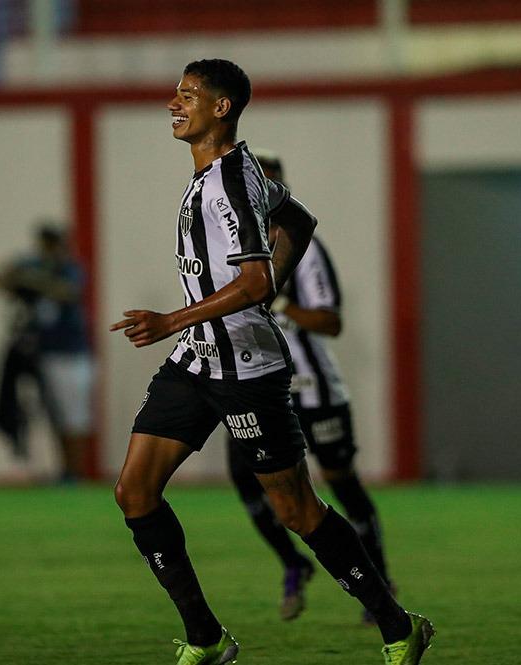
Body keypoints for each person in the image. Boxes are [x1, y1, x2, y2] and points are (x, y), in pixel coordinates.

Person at [109, 59, 433, 665]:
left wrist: (169, 321)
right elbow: (299, 223)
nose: (174, 104)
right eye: (175, 94)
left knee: (297, 510)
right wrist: (193, 329)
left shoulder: (232, 181)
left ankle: (397, 625)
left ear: (221, 108)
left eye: (188, 96)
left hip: (247, 372)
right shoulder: (230, 173)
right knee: (134, 491)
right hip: (197, 362)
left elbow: (256, 282)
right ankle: (206, 638)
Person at [225, 149, 394, 623]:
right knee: (248, 483)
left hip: (312, 387)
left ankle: (378, 578)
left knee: (341, 483)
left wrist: (280, 309)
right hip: (253, 386)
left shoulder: (305, 248)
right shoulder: (230, 244)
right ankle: (293, 564)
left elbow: (331, 322)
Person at [0, 223, 93, 481]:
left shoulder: (69, 269)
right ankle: (65, 470)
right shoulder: (32, 265)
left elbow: (68, 292)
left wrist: (36, 282)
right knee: (56, 416)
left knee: (74, 416)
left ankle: (75, 471)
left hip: (71, 353)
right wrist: (20, 277)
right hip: (45, 352)